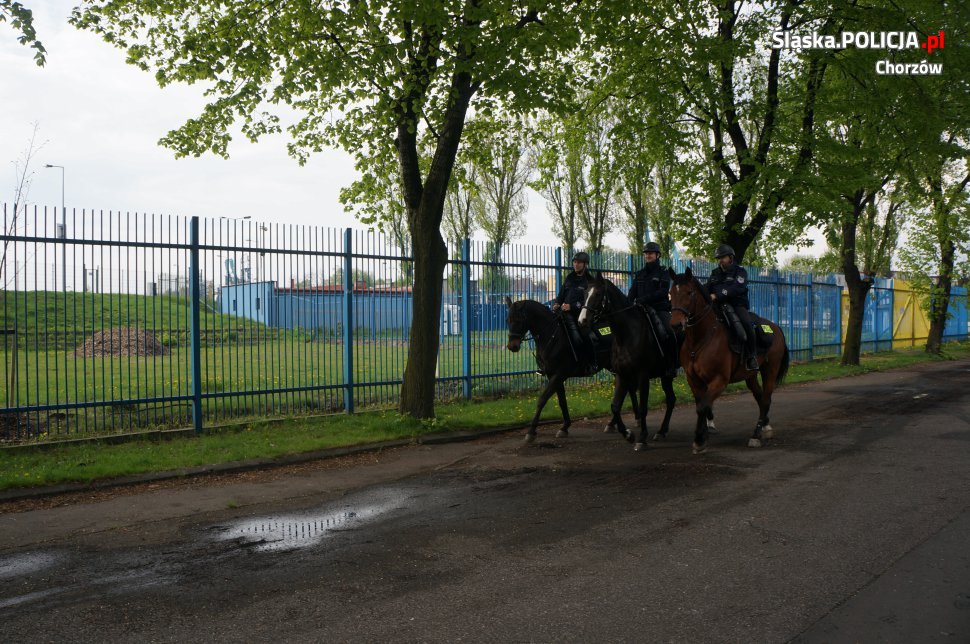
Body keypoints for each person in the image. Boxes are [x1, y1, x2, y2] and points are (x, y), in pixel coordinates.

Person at [628, 241, 678, 376]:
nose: (648, 255)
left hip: (659, 309)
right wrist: (627, 303)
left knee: (669, 332)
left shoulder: (663, 272)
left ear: (657, 255)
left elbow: (662, 292)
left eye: (650, 253)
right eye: (646, 253)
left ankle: (672, 364)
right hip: (640, 310)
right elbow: (632, 292)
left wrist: (643, 299)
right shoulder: (640, 274)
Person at [707, 244, 759, 371]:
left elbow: (737, 288)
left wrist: (718, 295)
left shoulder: (740, 271)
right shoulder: (715, 273)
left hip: (737, 305)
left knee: (747, 324)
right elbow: (708, 287)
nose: (720, 260)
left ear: (730, 257)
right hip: (718, 306)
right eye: (718, 258)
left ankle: (752, 356)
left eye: (723, 257)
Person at [553, 251, 596, 368]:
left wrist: (572, 306)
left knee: (580, 337)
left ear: (585, 264)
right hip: (563, 313)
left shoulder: (590, 280)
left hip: (581, 315)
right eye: (575, 262)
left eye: (579, 263)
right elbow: (561, 294)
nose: (576, 265)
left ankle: (590, 363)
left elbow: (590, 301)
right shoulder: (569, 277)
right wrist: (557, 303)